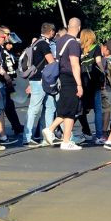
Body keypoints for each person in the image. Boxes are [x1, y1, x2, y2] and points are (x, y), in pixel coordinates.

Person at [45, 18, 85, 151]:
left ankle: (66, 140)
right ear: (79, 28)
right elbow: (74, 64)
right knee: (70, 109)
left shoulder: (61, 40)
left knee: (68, 110)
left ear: (68, 26)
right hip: (71, 78)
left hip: (62, 76)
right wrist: (79, 84)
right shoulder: (73, 43)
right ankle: (50, 129)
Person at [23, 23, 57, 146]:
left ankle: (47, 136)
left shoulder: (36, 43)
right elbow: (51, 62)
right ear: (51, 31)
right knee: (36, 109)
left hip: (36, 79)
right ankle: (27, 138)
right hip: (41, 80)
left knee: (49, 107)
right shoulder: (44, 44)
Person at [77, 29, 104, 145]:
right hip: (94, 81)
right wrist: (103, 73)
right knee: (98, 109)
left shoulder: (79, 48)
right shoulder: (96, 47)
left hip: (82, 80)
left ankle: (85, 131)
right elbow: (98, 62)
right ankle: (99, 136)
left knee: (81, 108)